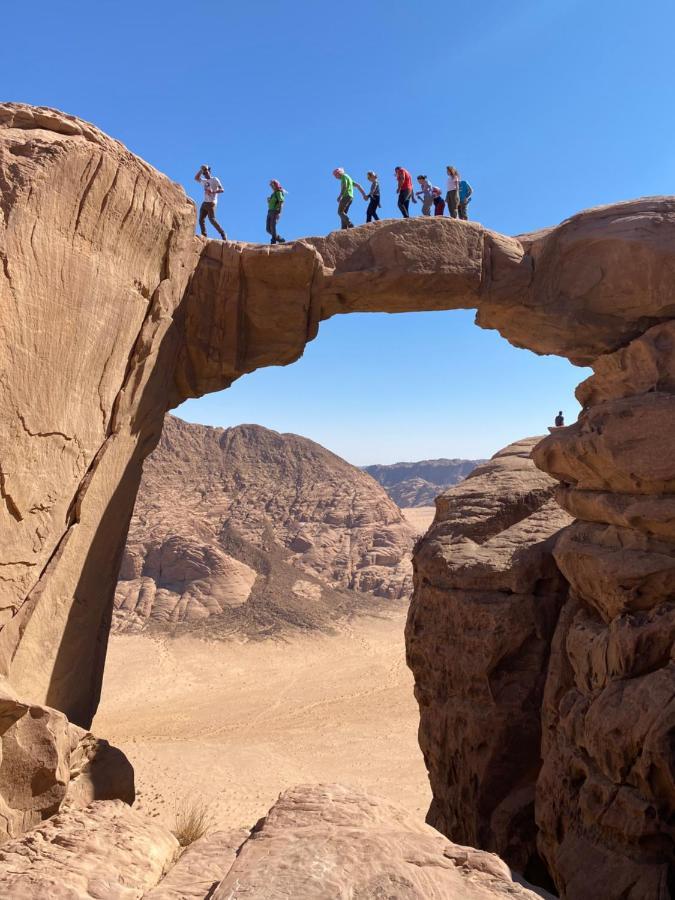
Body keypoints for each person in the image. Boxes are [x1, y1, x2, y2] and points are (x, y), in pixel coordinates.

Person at [194, 165, 226, 240]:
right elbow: (196, 178)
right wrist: (201, 170)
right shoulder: (204, 181)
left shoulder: (215, 179)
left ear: (210, 171)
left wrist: (213, 191)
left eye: (206, 172)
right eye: (204, 173)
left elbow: (222, 190)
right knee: (201, 219)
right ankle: (204, 236)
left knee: (212, 219)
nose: (205, 174)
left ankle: (223, 233)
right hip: (205, 202)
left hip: (212, 202)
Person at [266, 180, 286, 245]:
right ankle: (279, 239)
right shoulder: (273, 194)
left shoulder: (278, 192)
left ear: (275, 185)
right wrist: (269, 201)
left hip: (275, 211)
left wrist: (279, 212)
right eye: (271, 185)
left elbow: (281, 202)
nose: (271, 186)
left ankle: (273, 240)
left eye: (272, 185)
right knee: (268, 229)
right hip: (270, 211)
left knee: (272, 226)